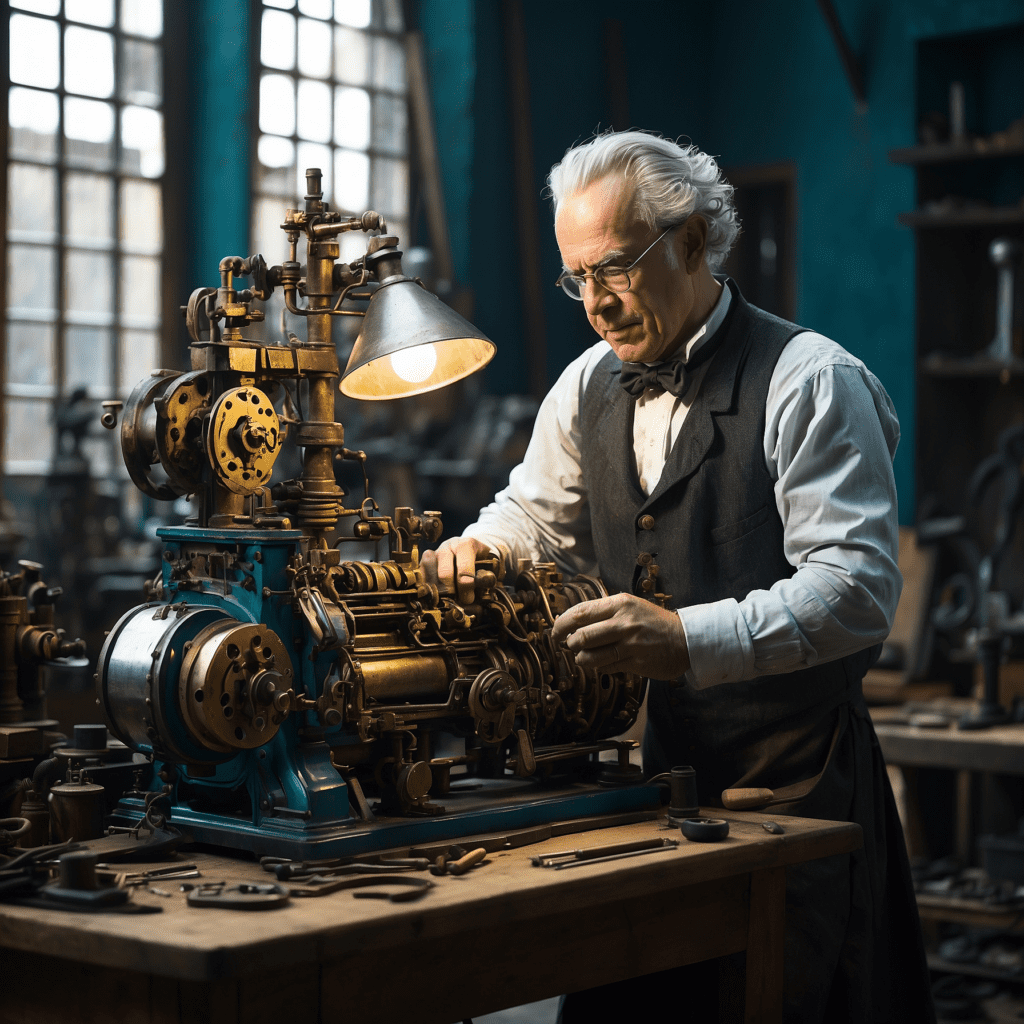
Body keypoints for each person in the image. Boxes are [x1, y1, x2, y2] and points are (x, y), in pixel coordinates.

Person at [422, 131, 933, 1023]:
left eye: (613, 270)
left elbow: (855, 593)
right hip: (654, 785)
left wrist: (682, 640)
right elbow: (533, 515)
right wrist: (480, 545)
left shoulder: (813, 383)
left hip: (797, 792)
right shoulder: (586, 385)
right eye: (574, 278)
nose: (593, 303)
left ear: (692, 242)